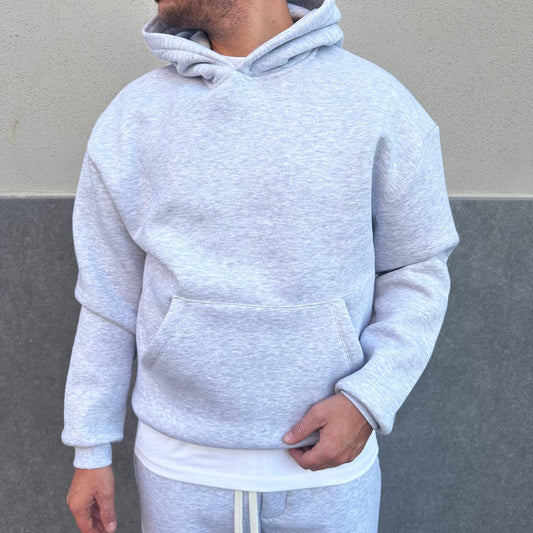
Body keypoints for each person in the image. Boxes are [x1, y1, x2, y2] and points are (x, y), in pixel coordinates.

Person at [61, 0, 460, 532]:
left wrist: (369, 399)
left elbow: (417, 268)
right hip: (177, 472)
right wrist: (90, 448)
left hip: (327, 475)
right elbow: (107, 295)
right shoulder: (135, 115)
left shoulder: (377, 103)